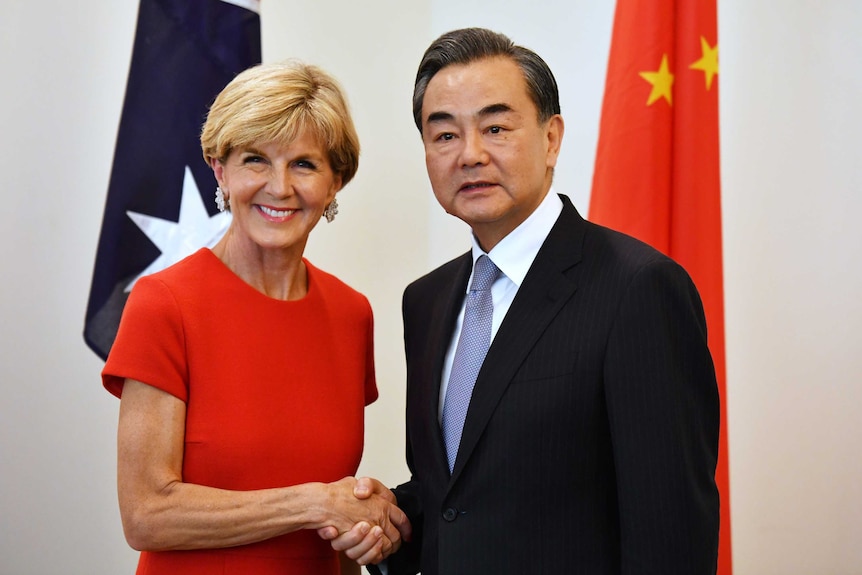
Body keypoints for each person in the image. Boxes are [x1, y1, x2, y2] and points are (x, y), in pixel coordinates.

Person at [324, 27, 720, 574]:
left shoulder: (638, 289)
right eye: (444, 136)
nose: (471, 154)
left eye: (496, 127)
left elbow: (669, 531)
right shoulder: (427, 301)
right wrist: (391, 523)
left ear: (551, 137)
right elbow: (461, 495)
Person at [102, 60, 410, 575]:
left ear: (336, 182)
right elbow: (146, 515)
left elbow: (335, 512)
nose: (280, 187)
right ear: (219, 169)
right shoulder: (164, 303)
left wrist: (365, 531)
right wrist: (313, 503)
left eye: (305, 165)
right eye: (255, 160)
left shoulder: (352, 313)